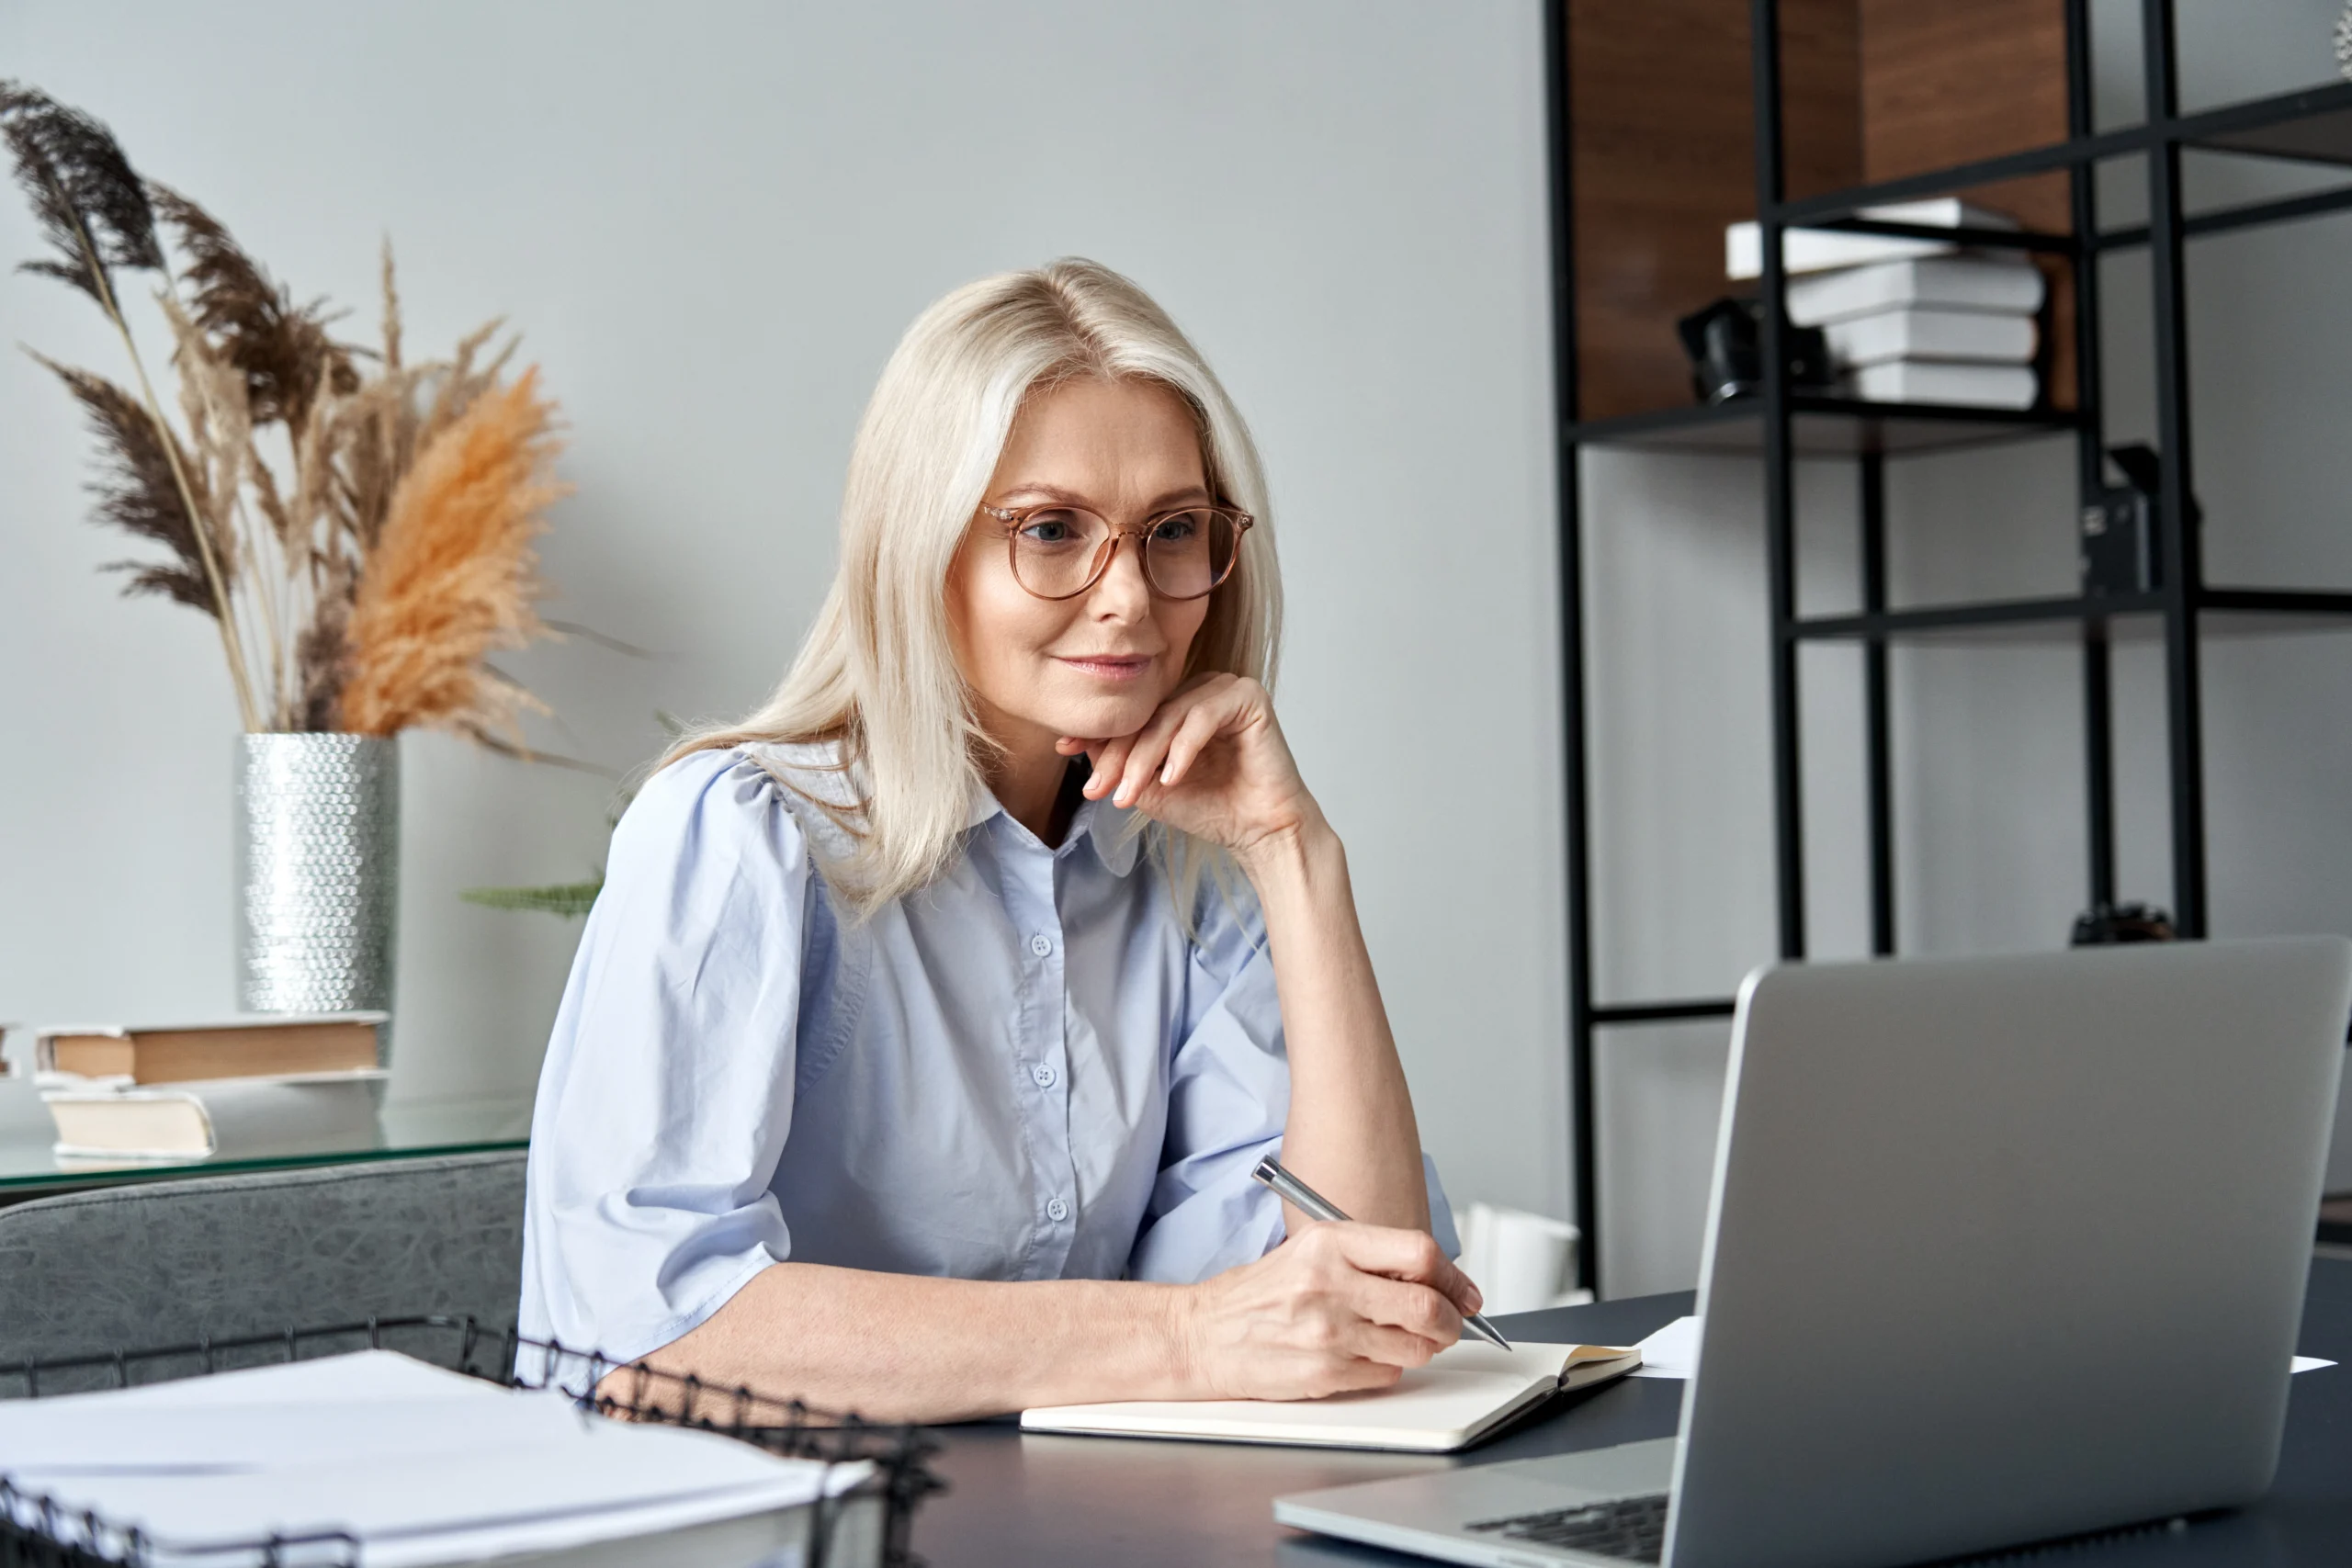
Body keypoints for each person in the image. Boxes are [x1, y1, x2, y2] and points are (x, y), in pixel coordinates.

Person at [519, 258, 1476, 1423]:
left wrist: (1294, 855)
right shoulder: (740, 836)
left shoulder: (1184, 872)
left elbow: (1357, 1306)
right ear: (923, 553)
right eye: (1053, 530)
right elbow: (645, 1335)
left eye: (1171, 528)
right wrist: (1183, 1337)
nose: (1127, 594)